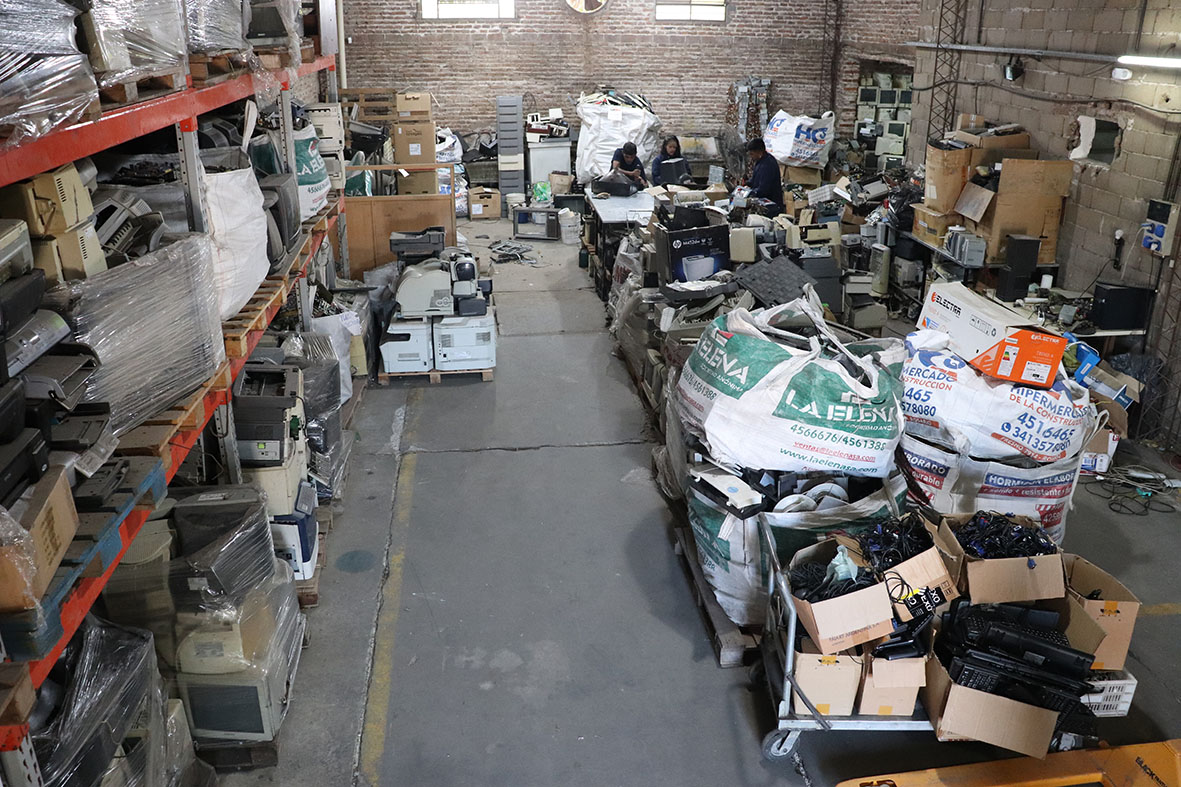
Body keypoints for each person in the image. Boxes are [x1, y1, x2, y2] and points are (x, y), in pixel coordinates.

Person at [745, 138, 784, 214]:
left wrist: (749, 193)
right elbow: (755, 179)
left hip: (771, 207)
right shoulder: (759, 162)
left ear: (759, 152)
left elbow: (763, 190)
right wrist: (746, 184)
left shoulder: (768, 165)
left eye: (752, 154)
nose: (751, 157)